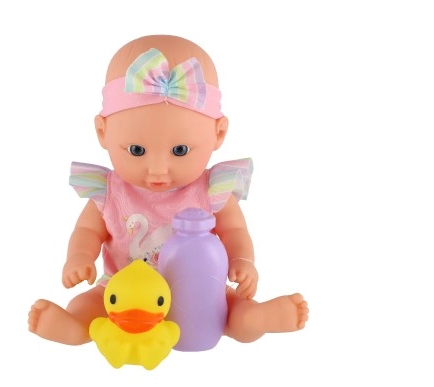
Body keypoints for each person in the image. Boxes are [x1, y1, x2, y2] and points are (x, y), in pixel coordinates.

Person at [28, 34, 308, 346]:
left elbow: (234, 230)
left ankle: (256, 319)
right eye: (136, 150)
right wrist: (79, 257)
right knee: (90, 305)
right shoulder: (109, 192)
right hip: (124, 295)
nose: (158, 169)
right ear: (102, 132)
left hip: (197, 292)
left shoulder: (212, 190)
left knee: (234, 309)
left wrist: (243, 261)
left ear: (218, 134)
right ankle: (74, 326)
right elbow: (87, 230)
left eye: (180, 150)